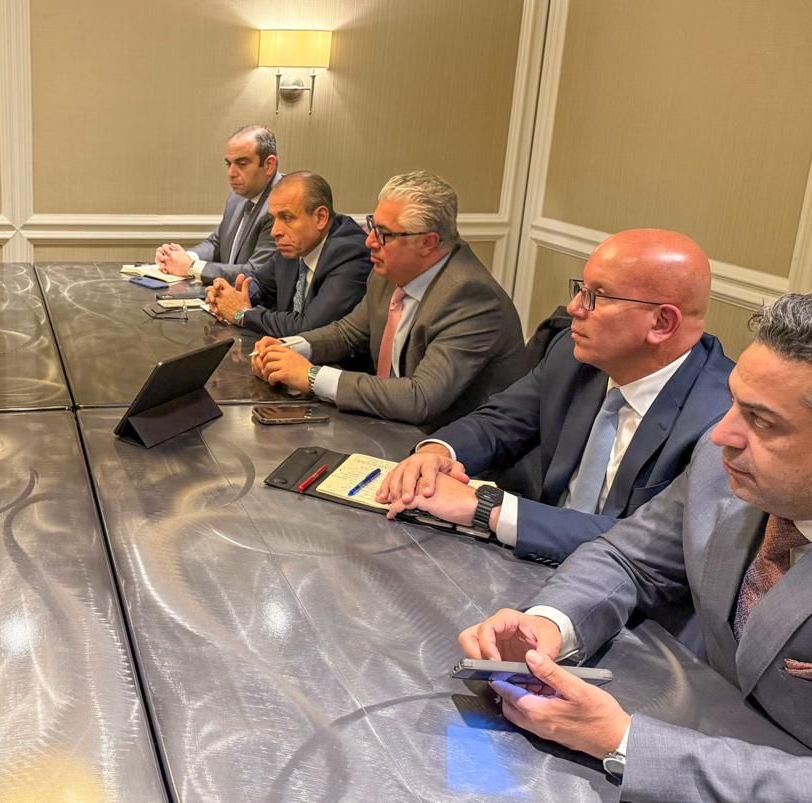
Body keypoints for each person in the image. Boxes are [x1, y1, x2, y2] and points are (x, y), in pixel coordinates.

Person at [458, 293, 812, 800]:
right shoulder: (721, 467)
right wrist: (550, 625)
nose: (721, 434)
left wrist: (623, 741)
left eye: (762, 421)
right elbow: (627, 556)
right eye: (734, 402)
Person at [378, 229, 733, 566]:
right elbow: (499, 421)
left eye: (597, 296)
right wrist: (437, 453)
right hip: (532, 562)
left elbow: (651, 546)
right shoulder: (573, 355)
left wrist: (488, 508)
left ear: (661, 323)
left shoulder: (721, 418)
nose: (574, 307)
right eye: (581, 289)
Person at [251, 170, 529, 429]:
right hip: (391, 424)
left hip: (449, 443)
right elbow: (348, 333)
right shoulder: (388, 270)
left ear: (428, 242)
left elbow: (420, 398)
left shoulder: (471, 297)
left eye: (384, 233)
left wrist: (311, 377)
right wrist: (287, 349)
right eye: (373, 226)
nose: (370, 241)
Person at [204, 171, 370, 337]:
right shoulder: (295, 245)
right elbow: (260, 282)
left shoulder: (350, 254)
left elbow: (308, 328)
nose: (275, 231)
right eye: (274, 219)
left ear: (320, 217)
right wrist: (230, 296)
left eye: (287, 217)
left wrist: (242, 314)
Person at [155, 125, 280, 288]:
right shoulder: (236, 198)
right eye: (229, 164)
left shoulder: (282, 206)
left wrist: (192, 267)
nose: (231, 173)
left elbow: (256, 272)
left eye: (242, 164)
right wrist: (181, 258)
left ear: (269, 165)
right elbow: (216, 243)